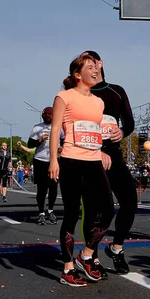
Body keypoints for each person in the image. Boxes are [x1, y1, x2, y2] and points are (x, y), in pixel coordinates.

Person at [49, 53, 115, 287]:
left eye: (97, 67)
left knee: (107, 210)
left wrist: (105, 147)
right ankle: (67, 269)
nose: (95, 70)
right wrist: (53, 160)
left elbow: (96, 132)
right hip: (70, 160)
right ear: (78, 75)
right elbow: (56, 129)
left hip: (94, 161)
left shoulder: (99, 102)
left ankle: (86, 255)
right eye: (90, 67)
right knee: (71, 214)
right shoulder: (64, 97)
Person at [83, 50, 137, 275]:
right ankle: (92, 257)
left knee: (130, 200)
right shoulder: (78, 93)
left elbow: (130, 123)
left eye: (91, 62)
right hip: (88, 156)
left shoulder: (116, 90)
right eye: (83, 64)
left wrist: (122, 132)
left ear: (100, 64)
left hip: (113, 155)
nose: (89, 67)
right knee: (95, 209)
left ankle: (116, 248)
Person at [27, 107, 63, 225]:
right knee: (42, 189)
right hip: (40, 160)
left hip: (54, 160)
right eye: (45, 114)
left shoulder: (60, 127)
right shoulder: (37, 127)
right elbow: (30, 144)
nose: (47, 116)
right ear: (42, 115)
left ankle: (50, 210)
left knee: (53, 187)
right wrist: (40, 140)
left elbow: (64, 140)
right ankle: (41, 212)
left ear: (54, 115)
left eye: (50, 114)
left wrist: (61, 148)